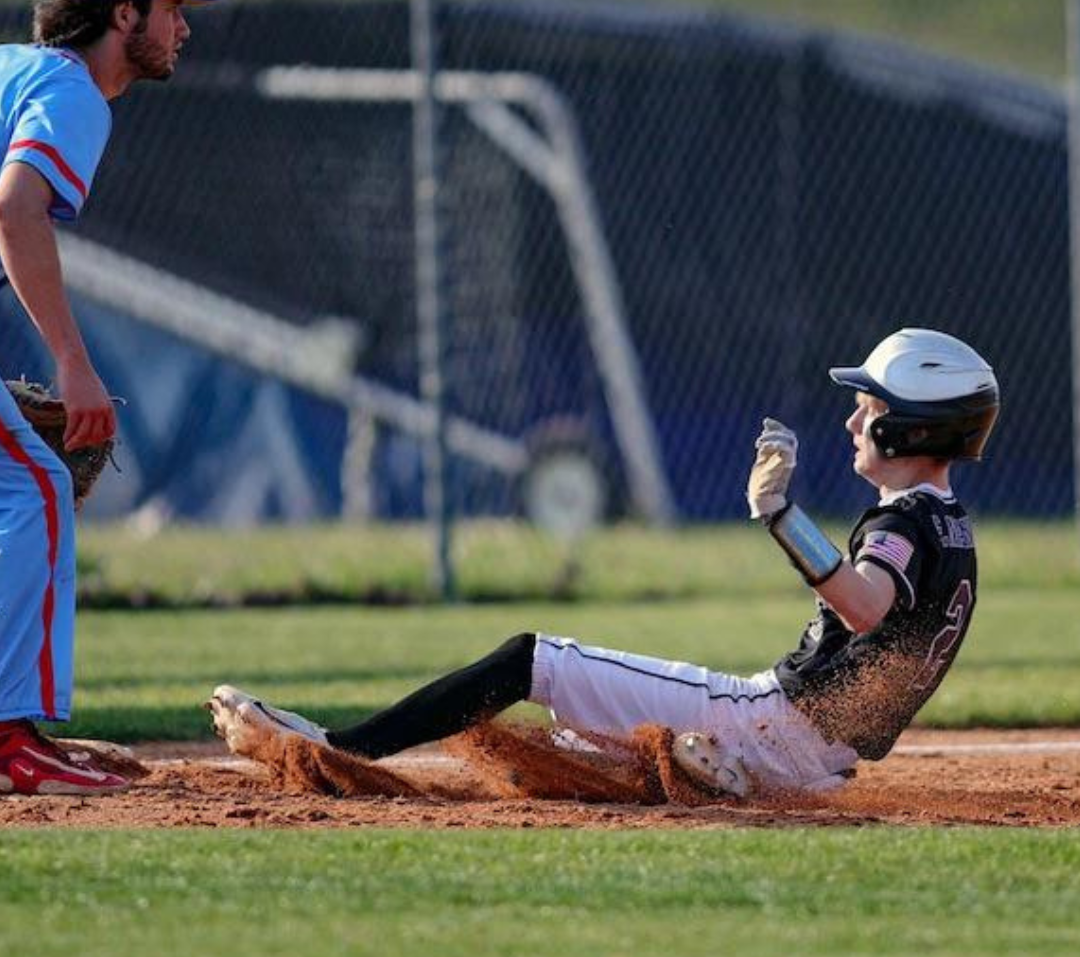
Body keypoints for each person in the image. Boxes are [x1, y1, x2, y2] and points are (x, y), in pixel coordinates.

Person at [208, 328, 1000, 797]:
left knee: (532, 661)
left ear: (912, 431)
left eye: (872, 410)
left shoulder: (904, 521)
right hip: (813, 757)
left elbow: (868, 606)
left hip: (767, 723)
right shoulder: (952, 528)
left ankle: (341, 747)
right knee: (573, 748)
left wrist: (781, 516)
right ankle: (698, 772)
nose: (856, 420)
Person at [0, 0, 222, 796]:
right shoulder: (72, 91)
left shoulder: (15, 69)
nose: (183, 27)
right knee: (35, 487)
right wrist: (73, 363)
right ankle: (12, 741)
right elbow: (15, 212)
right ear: (123, 13)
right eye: (171, 8)